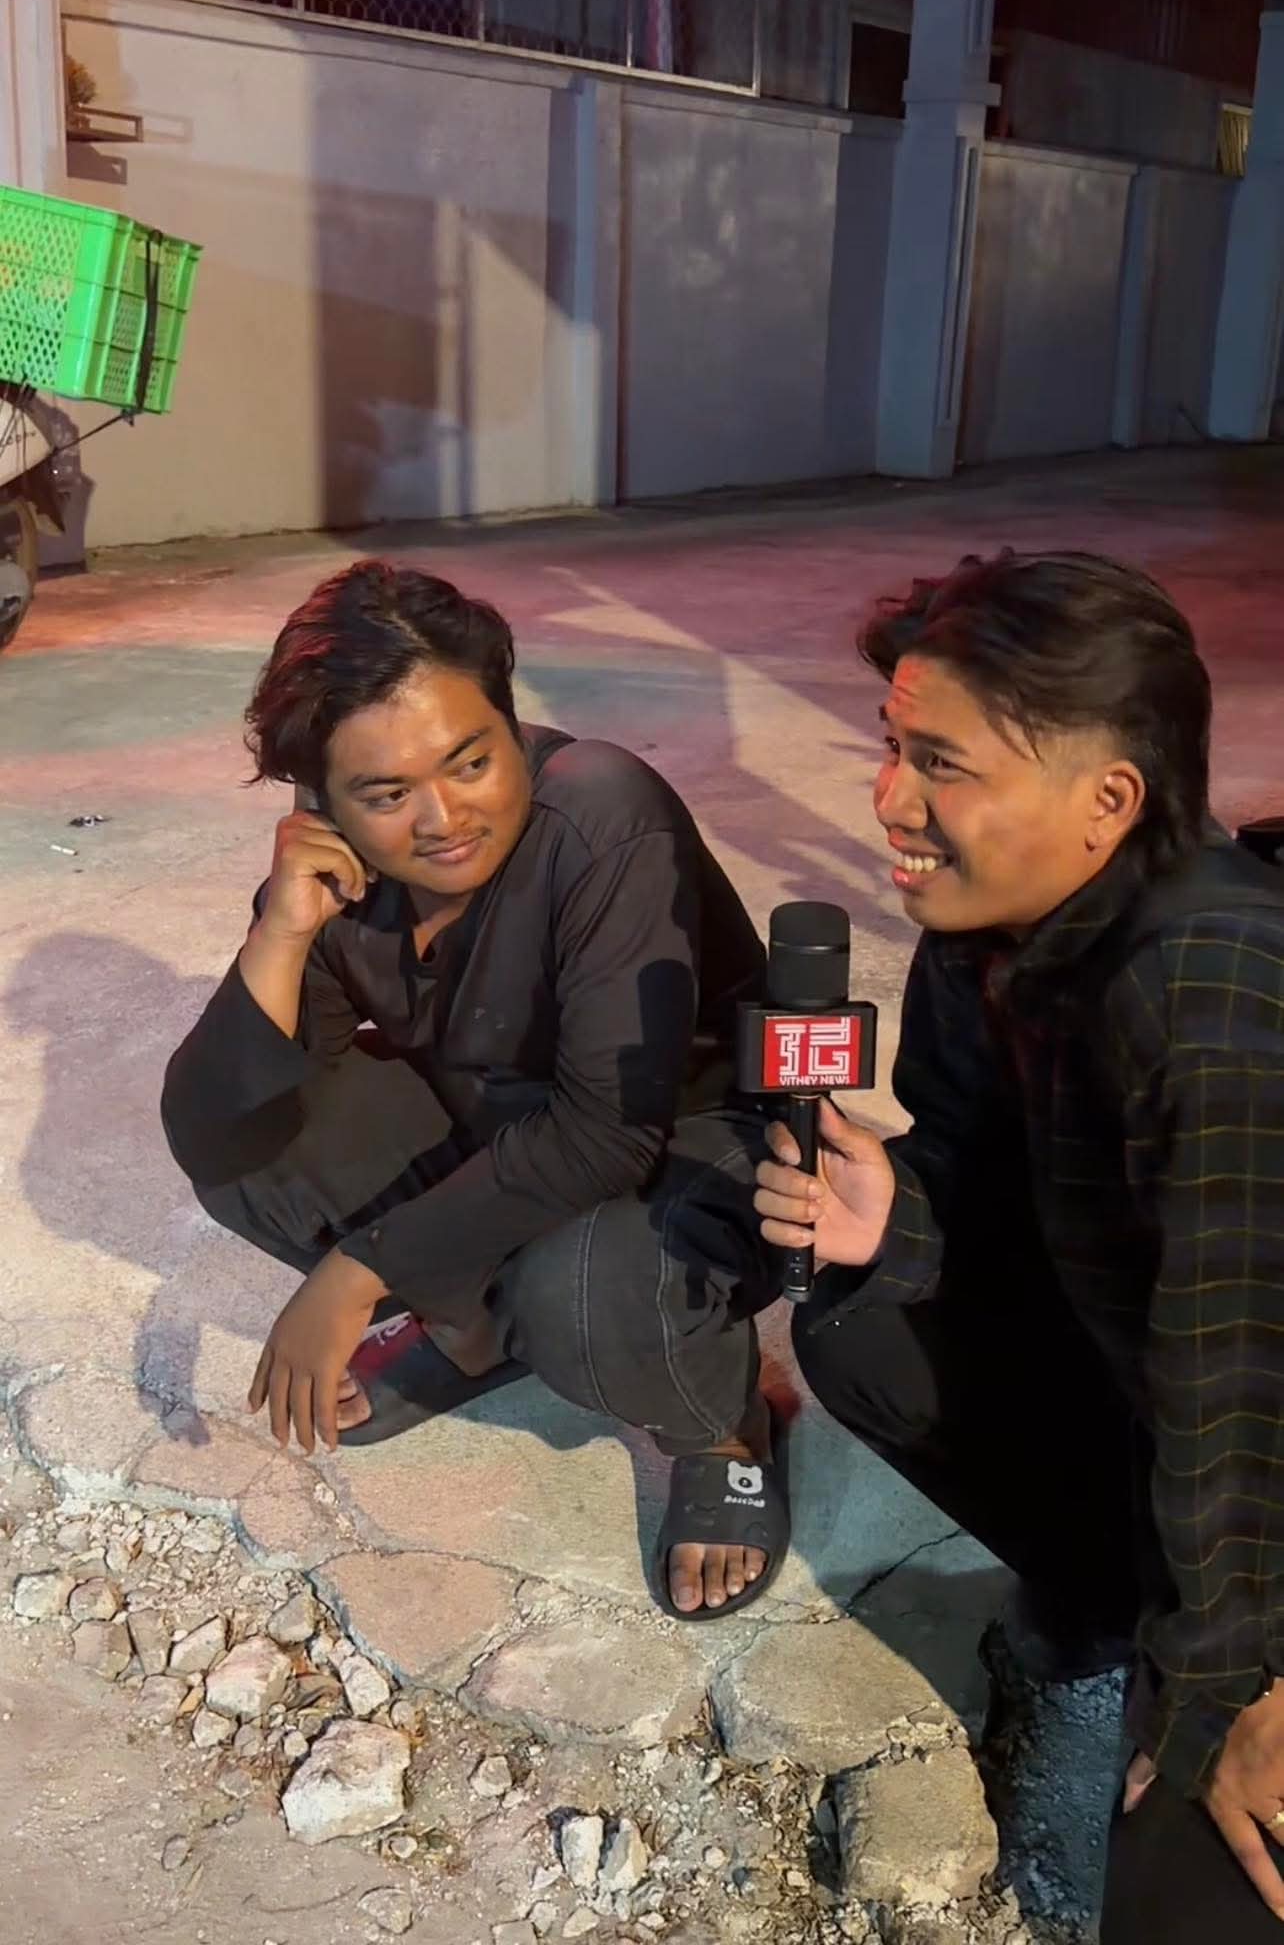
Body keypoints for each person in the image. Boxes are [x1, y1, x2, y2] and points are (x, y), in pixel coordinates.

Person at [752, 551, 1284, 1941]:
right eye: (893, 749)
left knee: (1197, 1891)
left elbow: (1238, 1385)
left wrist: (1238, 1690)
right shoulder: (987, 936)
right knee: (862, 1321)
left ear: (1109, 800)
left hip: (1259, 1465)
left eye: (942, 764)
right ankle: (1106, 1619)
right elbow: (971, 1167)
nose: (888, 799)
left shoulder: (1209, 996)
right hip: (1176, 1416)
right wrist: (897, 1215)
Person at [161, 559, 790, 1621]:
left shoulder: (602, 813)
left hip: (691, 1146)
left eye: (472, 760)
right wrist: (282, 925)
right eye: (386, 793)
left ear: (509, 718)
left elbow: (607, 1136)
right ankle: (476, 1328)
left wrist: (361, 1267)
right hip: (506, 1129)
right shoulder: (343, 874)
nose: (446, 817)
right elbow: (213, 1119)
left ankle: (722, 1427)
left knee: (577, 1290)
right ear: (320, 801)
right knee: (252, 1137)